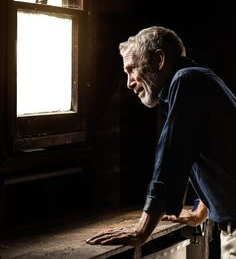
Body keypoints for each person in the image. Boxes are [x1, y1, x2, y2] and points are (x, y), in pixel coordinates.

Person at [86, 26, 236, 258]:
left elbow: (171, 158)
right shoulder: (198, 78)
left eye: (131, 70)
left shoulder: (186, 82)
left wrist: (141, 230)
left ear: (159, 59)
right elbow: (215, 156)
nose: (129, 82)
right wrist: (200, 213)